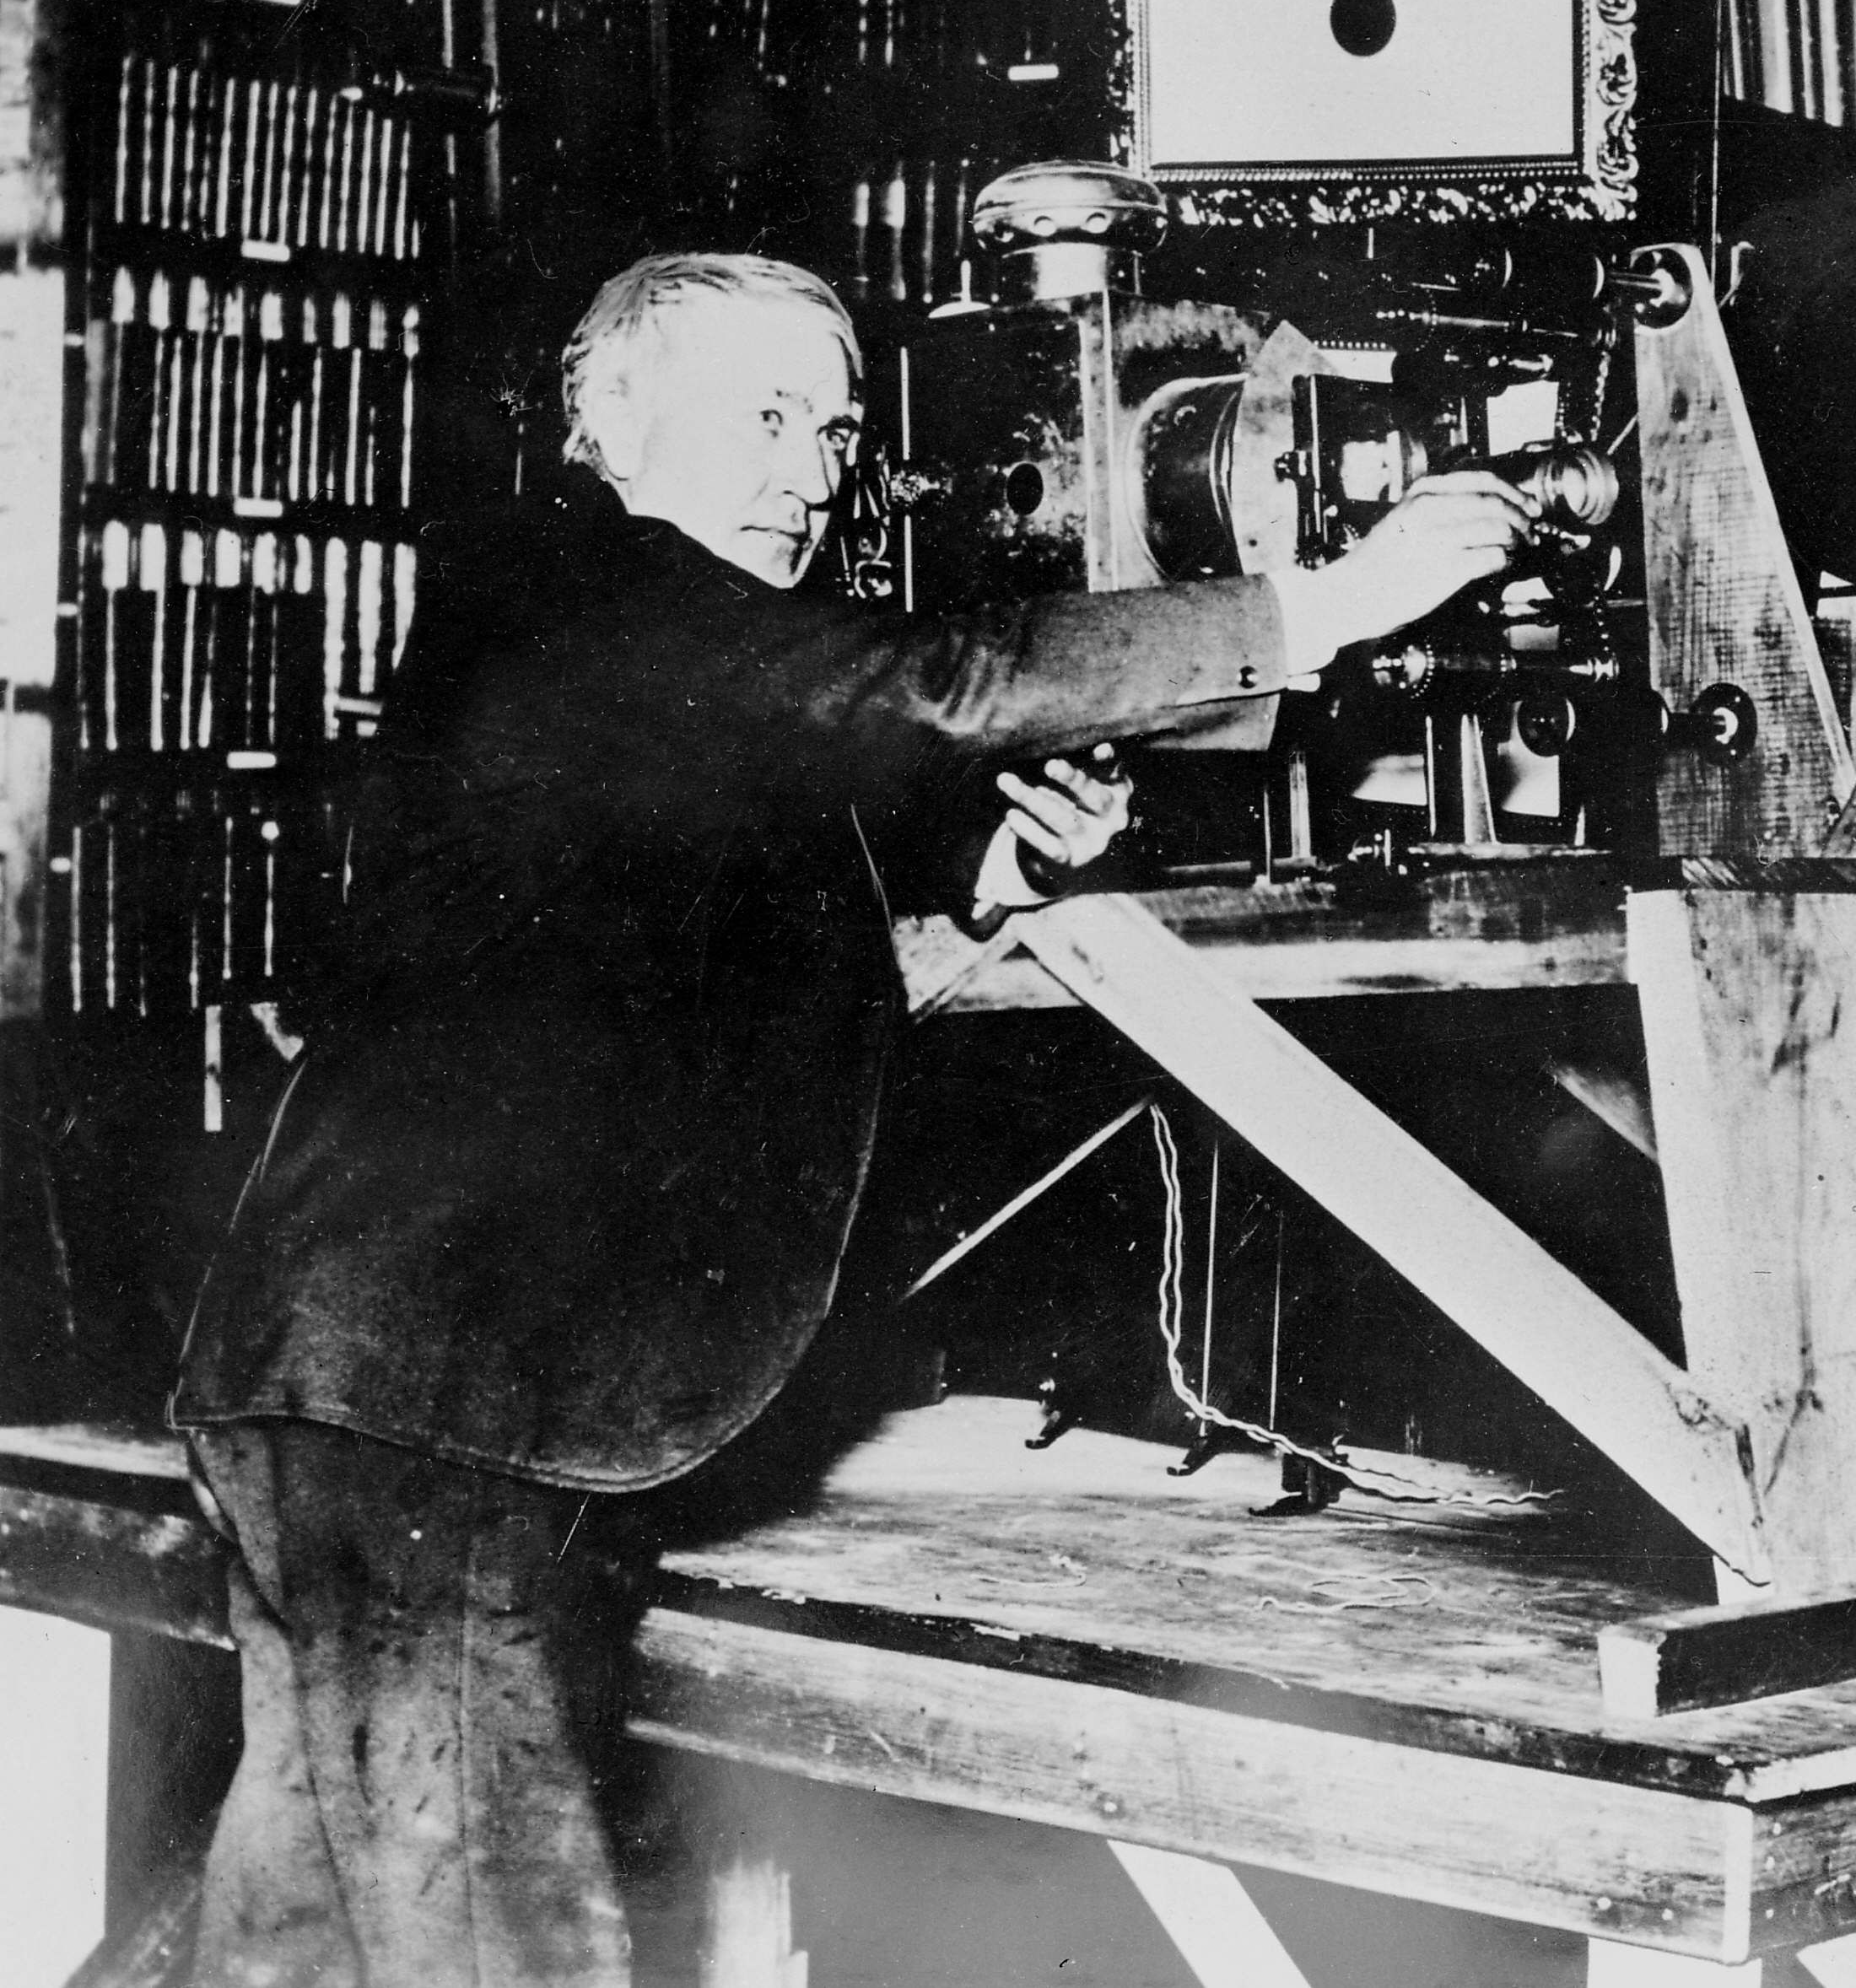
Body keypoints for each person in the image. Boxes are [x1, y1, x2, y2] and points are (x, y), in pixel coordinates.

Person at [167, 251, 1529, 1986]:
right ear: (613, 420)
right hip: (434, 1403)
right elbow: (941, 683)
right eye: (762, 416)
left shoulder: (630, 656)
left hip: (373, 1390)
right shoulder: (583, 585)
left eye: (831, 432)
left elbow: (719, 902)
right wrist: (1322, 604)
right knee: (497, 1944)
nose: (807, 473)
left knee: (299, 1940)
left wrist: (997, 859)